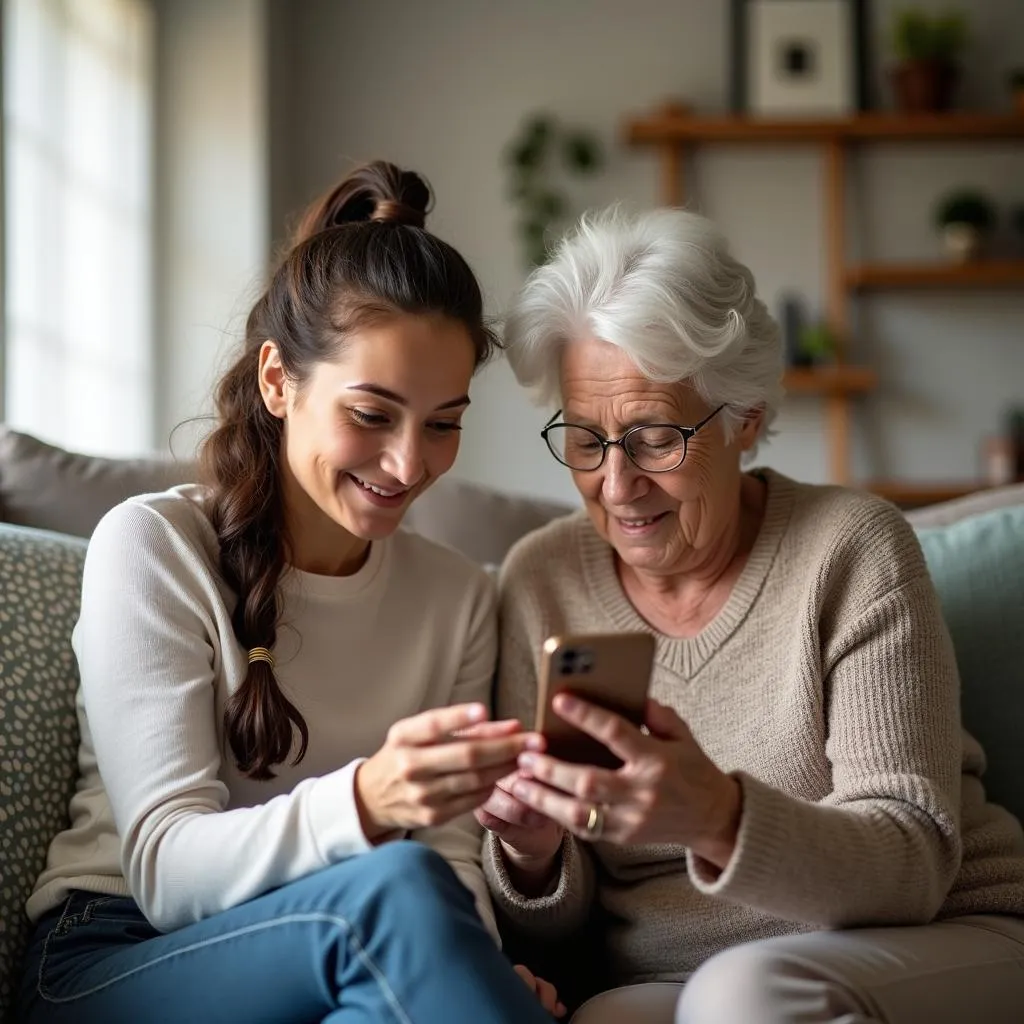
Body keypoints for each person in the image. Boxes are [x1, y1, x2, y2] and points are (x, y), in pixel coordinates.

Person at [16, 162, 563, 1024]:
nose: (410, 464)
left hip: (347, 955)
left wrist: (470, 963)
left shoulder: (458, 598)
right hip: (117, 960)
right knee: (398, 894)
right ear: (277, 380)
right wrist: (368, 801)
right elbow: (162, 870)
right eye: (373, 414)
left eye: (445, 423)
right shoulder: (155, 546)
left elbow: (455, 858)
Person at [476, 205, 1024, 1024]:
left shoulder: (849, 550)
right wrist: (530, 852)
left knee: (748, 996)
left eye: (656, 438)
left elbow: (912, 864)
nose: (617, 486)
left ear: (747, 420)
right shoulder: (542, 580)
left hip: (938, 931)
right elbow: (557, 921)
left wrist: (715, 815)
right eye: (586, 441)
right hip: (673, 978)